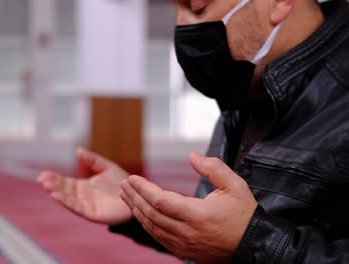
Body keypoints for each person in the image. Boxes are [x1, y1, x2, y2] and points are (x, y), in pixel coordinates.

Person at [38, 0, 349, 262]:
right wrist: (144, 213)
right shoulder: (247, 90)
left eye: (198, 8)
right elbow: (230, 230)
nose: (183, 27)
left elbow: (246, 236)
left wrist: (251, 238)